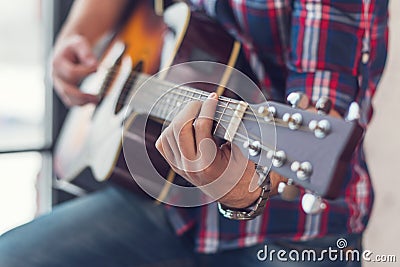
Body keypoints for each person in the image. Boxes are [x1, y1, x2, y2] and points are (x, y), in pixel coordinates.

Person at [0, 0, 389, 266]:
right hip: (159, 198)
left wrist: (240, 195)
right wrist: (77, 34)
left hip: (288, 233)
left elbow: (320, 105)